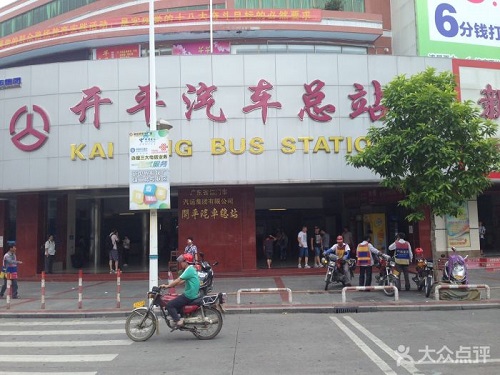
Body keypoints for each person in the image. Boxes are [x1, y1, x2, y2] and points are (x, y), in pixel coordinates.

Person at [159, 253, 200, 330]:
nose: (181, 263)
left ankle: (178, 321)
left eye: (182, 261)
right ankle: (181, 317)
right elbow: (181, 281)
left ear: (186, 262)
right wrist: (173, 285)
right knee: (177, 302)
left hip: (189, 295)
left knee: (170, 305)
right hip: (192, 293)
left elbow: (178, 279)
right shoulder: (190, 269)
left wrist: (168, 286)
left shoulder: (189, 269)